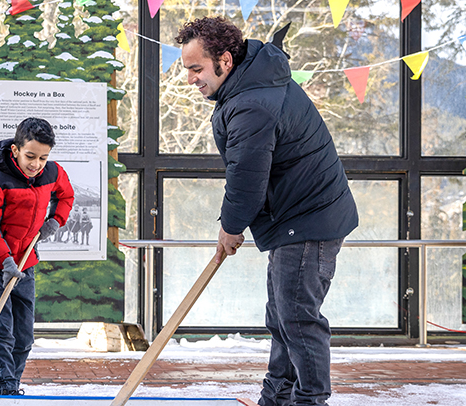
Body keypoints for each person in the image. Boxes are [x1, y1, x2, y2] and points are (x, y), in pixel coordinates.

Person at [176, 17, 358, 406]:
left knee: (297, 318)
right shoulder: (250, 87)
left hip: (309, 218)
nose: (190, 79)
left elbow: (247, 175)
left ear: (224, 60)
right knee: (282, 317)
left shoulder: (252, 103)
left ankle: (310, 400)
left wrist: (231, 226)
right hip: (296, 219)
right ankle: (276, 397)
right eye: (187, 69)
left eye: (197, 68)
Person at [0, 117, 74, 396]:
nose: (36, 164)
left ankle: (13, 381)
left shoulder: (51, 173)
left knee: (25, 334)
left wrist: (55, 220)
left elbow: (66, 196)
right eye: (30, 156)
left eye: (43, 157)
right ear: (16, 149)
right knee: (2, 328)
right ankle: (5, 385)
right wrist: (4, 261)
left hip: (26, 261)